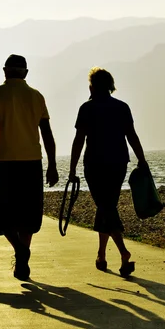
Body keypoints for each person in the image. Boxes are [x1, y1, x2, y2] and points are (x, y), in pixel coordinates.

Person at [0, 54, 59, 281]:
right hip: (32, 162)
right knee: (29, 215)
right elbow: (47, 133)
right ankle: (23, 256)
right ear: (26, 73)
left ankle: (21, 253)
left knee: (4, 214)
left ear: (4, 71)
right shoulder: (36, 96)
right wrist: (52, 164)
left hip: (5, 162)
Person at [68, 67, 148, 278]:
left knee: (105, 206)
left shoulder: (87, 108)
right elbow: (132, 136)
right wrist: (142, 160)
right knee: (107, 207)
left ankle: (123, 252)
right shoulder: (122, 107)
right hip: (118, 163)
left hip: (94, 164)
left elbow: (79, 139)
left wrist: (72, 168)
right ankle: (101, 255)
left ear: (91, 87)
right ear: (111, 86)